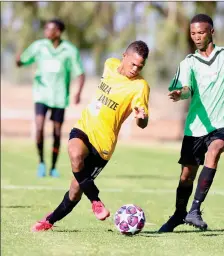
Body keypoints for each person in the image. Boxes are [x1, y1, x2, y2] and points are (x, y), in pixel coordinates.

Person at [159, 14, 224, 232]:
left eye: (201, 32)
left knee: (214, 150)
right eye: (193, 33)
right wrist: (180, 94)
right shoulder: (188, 62)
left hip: (223, 123)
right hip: (195, 126)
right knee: (187, 175)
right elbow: (186, 88)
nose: (197, 37)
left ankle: (195, 210)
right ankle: (180, 214)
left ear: (211, 32)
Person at [31, 40, 150, 232]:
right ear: (124, 56)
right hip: (84, 127)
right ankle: (95, 201)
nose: (135, 69)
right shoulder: (110, 64)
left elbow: (142, 123)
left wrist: (140, 117)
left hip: (103, 144)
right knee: (75, 154)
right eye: (133, 63)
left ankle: (50, 220)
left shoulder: (140, 87)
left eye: (140, 66)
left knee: (75, 191)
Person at [16, 19, 85, 178]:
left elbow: (80, 73)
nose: (46, 31)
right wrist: (18, 58)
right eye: (45, 28)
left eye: (50, 29)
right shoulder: (39, 46)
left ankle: (53, 167)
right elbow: (21, 62)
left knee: (56, 133)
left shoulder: (69, 50)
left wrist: (78, 92)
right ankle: (41, 162)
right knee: (39, 127)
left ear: (58, 32)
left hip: (60, 97)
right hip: (41, 95)